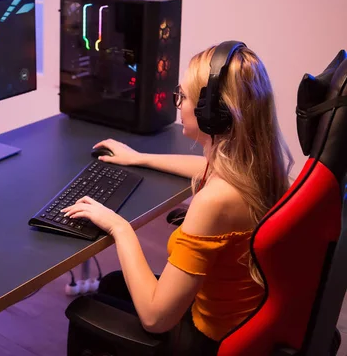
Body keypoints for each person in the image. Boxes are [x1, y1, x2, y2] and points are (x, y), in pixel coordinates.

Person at [62, 42, 294, 354]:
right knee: (114, 284)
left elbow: (155, 318)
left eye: (183, 96)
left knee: (86, 310)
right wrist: (140, 157)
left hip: (206, 339)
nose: (178, 104)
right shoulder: (263, 170)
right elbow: (206, 167)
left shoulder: (214, 202)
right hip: (244, 323)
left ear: (213, 114)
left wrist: (120, 228)